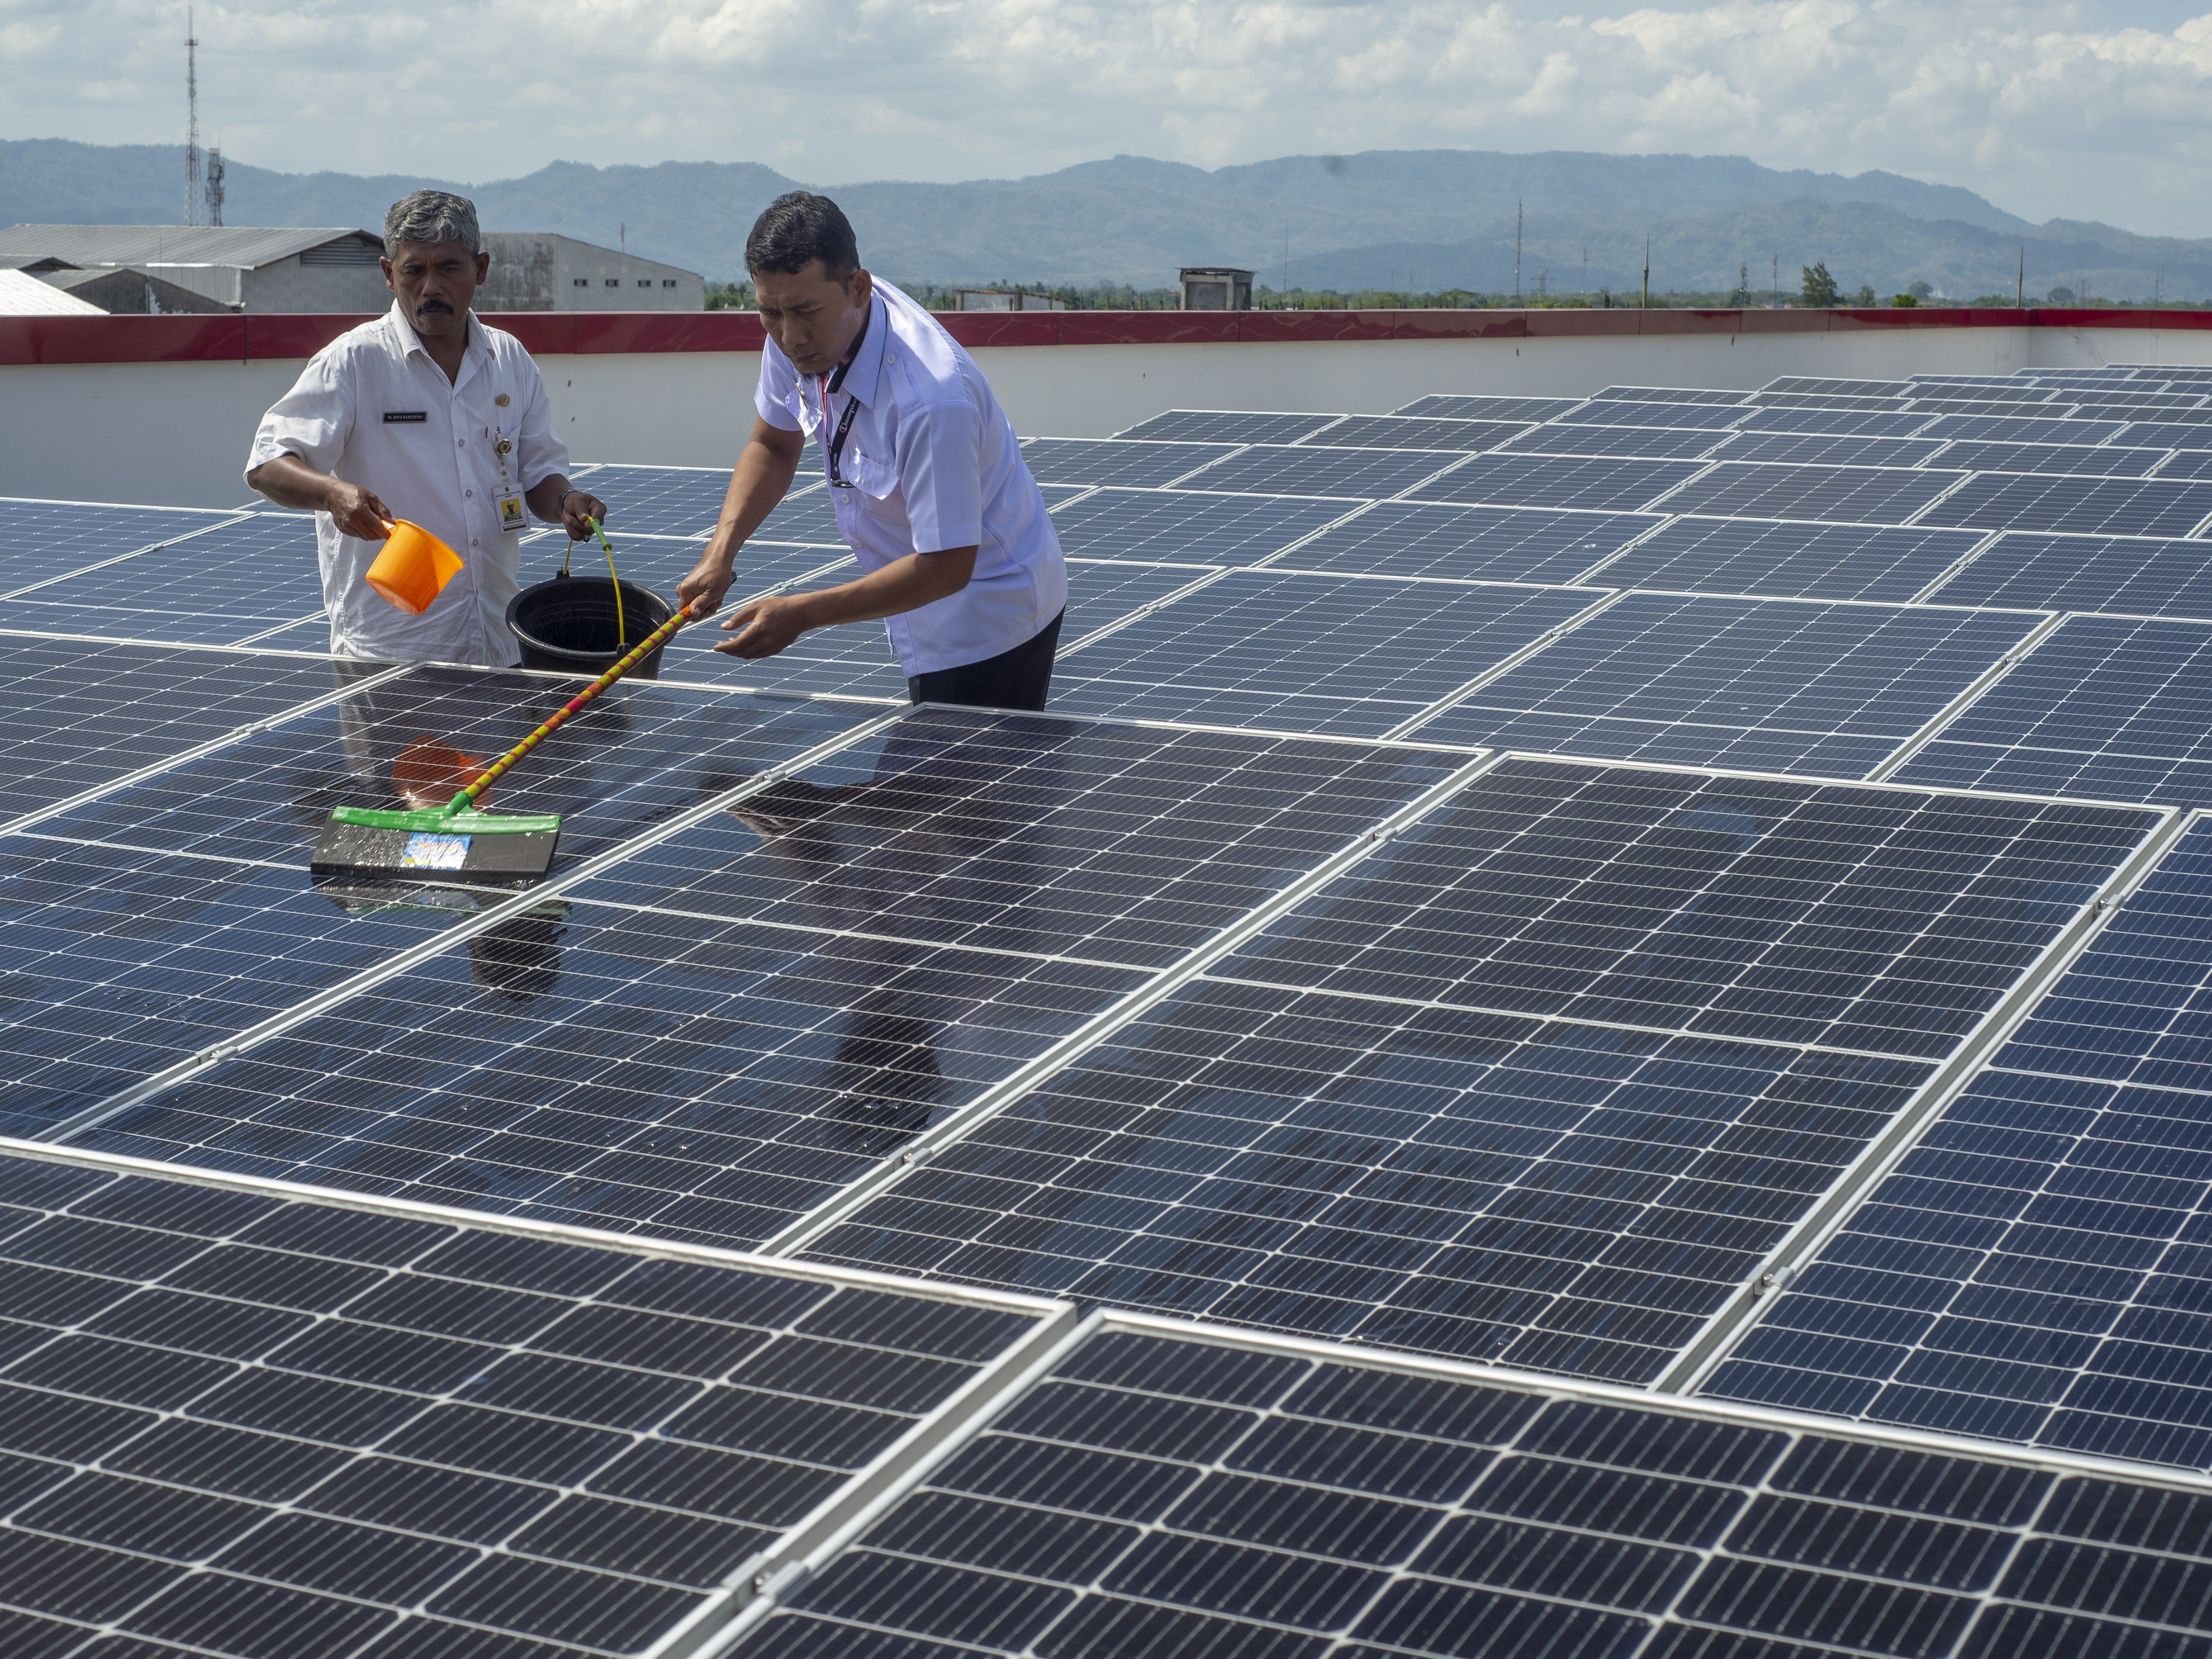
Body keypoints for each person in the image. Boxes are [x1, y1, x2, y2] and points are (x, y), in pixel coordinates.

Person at [677, 192, 1067, 710]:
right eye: (769, 313)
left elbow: (948, 566)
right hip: (919, 593)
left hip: (986, 615)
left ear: (858, 288)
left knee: (959, 787)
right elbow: (773, 443)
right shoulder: (802, 330)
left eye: (804, 312)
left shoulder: (931, 400)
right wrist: (720, 551)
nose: (789, 337)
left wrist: (802, 613)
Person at [244, 190, 607, 666]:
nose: (431, 287)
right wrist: (333, 495)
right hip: (391, 653)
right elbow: (267, 464)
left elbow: (536, 475)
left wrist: (564, 502)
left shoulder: (510, 360)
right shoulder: (354, 361)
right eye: (414, 270)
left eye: (449, 268)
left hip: (498, 643)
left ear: (480, 270)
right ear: (388, 275)